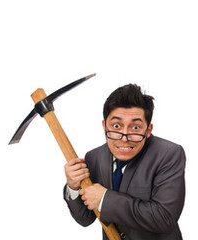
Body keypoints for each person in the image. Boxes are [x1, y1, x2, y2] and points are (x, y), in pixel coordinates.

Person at [63, 84, 186, 239]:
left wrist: (105, 199)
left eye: (135, 127)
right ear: (104, 126)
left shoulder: (169, 154)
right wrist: (73, 188)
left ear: (148, 130)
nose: (124, 136)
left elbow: (164, 218)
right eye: (116, 126)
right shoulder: (94, 158)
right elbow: (85, 219)